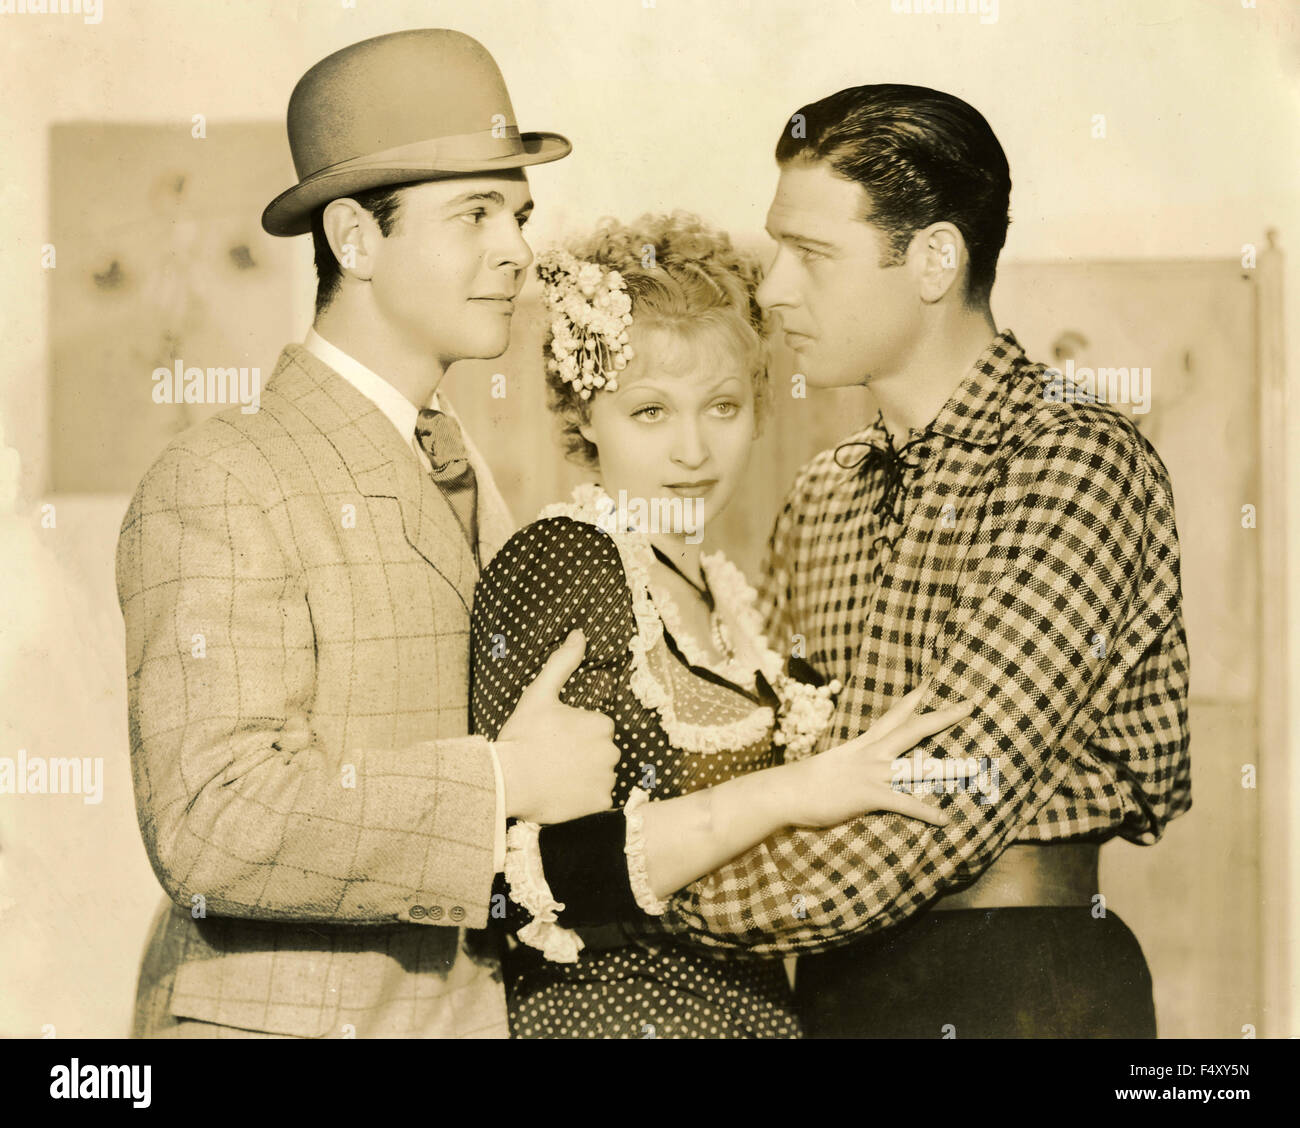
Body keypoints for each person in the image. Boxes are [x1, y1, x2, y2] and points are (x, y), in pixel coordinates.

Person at [500, 86, 1192, 1039]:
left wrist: (603, 877)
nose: (776, 289)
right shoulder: (824, 491)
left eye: (812, 255)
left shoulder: (1074, 461)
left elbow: (918, 825)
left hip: (1015, 984)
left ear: (934, 260)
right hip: (819, 997)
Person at [116, 28, 626, 1039]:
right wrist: (503, 782)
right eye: (474, 213)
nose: (517, 250)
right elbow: (213, 823)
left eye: (519, 215)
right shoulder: (223, 476)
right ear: (353, 240)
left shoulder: (466, 463)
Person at [469, 213, 970, 1038]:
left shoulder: (721, 589)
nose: (694, 451)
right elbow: (508, 882)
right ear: (585, 412)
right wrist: (790, 791)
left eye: (723, 406)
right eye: (651, 412)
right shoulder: (564, 562)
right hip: (606, 1022)